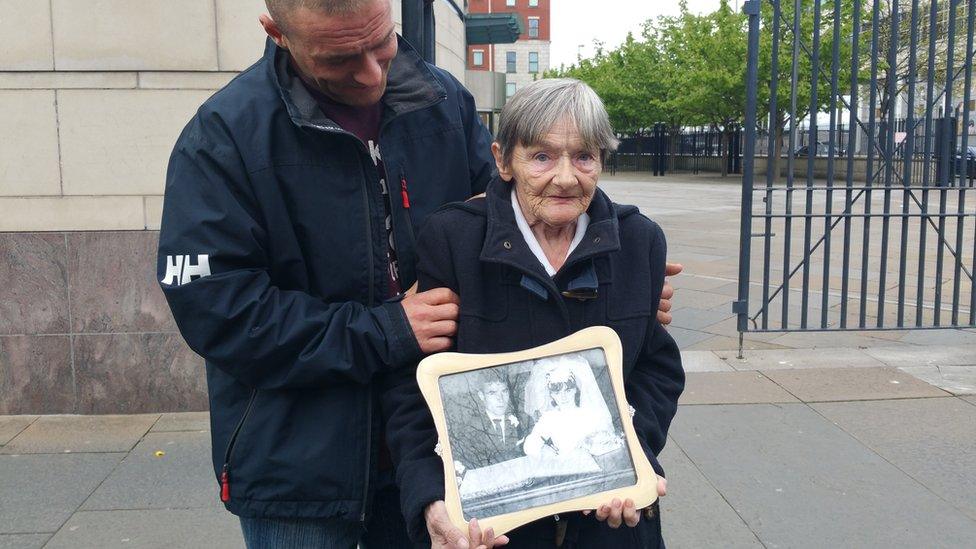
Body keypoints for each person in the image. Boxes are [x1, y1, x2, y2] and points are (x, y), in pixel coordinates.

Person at [157, 0, 679, 546]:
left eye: (381, 42)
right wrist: (386, 330)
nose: (371, 74)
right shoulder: (223, 139)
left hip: (434, 454)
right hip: (301, 465)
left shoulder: (443, 101)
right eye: (340, 58)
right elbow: (219, 311)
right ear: (277, 32)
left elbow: (514, 208)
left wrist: (618, 267)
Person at [384, 78, 685, 549]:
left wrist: (631, 454)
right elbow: (415, 383)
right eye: (542, 157)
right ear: (504, 160)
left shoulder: (639, 240)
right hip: (497, 528)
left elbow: (656, 368)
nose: (566, 177)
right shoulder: (452, 239)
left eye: (584, 156)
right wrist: (430, 496)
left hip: (607, 523)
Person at [520, 356, 619, 459]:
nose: (563, 397)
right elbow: (529, 447)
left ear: (575, 390)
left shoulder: (590, 414)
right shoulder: (549, 418)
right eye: (557, 393)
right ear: (551, 395)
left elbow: (609, 439)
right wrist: (543, 450)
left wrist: (591, 444)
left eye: (567, 391)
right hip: (567, 469)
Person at [450, 375, 525, 471]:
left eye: (504, 391)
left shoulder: (524, 421)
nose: (500, 398)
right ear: (482, 396)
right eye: (492, 393)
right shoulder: (469, 431)